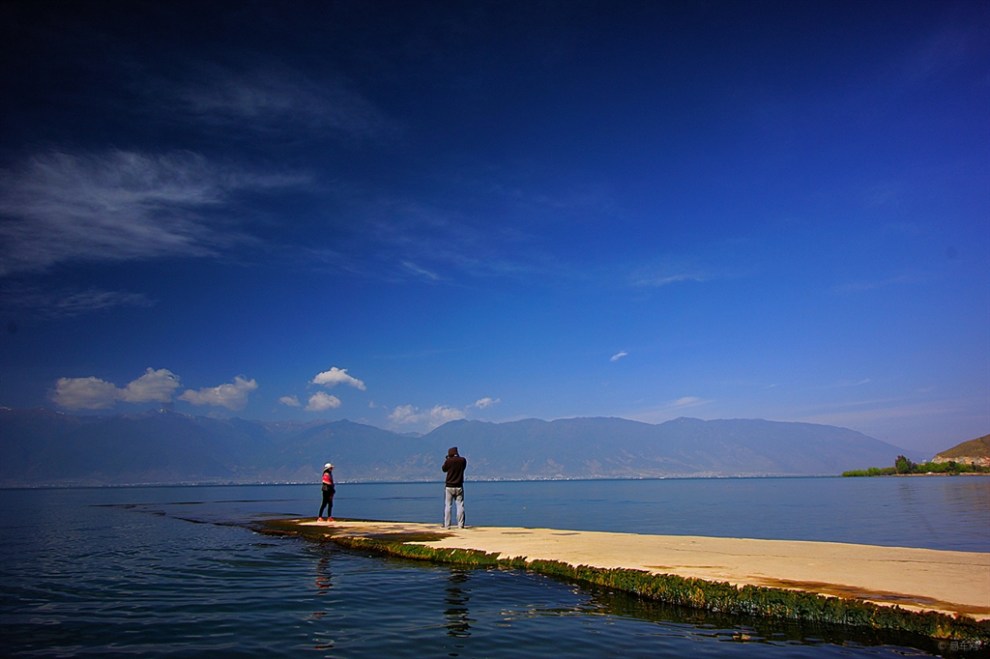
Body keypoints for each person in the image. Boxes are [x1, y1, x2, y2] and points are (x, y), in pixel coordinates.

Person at [442, 446, 467, 529]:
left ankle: (447, 525)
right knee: (460, 505)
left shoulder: (448, 461)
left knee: (448, 506)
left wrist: (447, 459)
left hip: (449, 486)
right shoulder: (463, 460)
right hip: (459, 486)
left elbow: (444, 469)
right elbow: (463, 467)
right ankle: (460, 525)